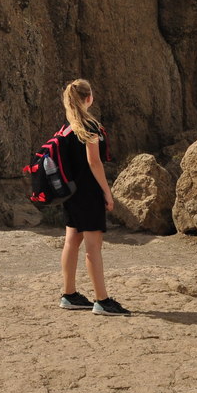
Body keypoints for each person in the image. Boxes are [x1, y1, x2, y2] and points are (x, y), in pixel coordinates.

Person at [56, 78, 130, 316]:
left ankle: (69, 295)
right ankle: (102, 300)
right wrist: (107, 193)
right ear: (89, 98)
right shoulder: (89, 126)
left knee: (71, 242)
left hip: (71, 193)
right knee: (93, 247)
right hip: (88, 193)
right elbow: (94, 162)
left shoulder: (67, 129)